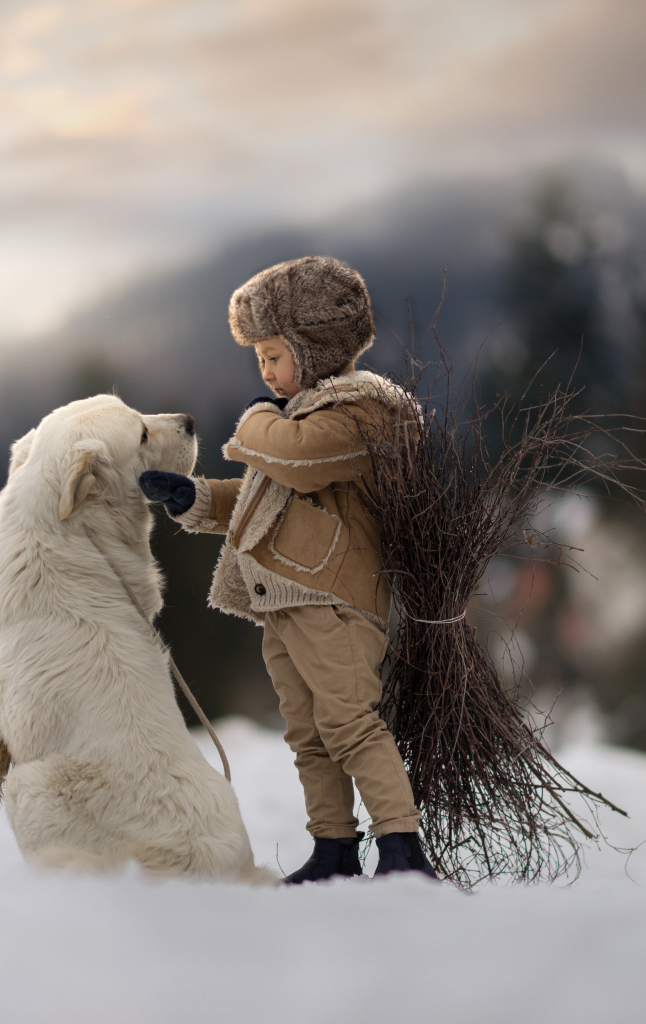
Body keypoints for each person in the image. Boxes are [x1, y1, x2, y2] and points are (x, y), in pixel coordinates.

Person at [139, 256, 436, 882]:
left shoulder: (364, 412)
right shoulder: (299, 415)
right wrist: (193, 498)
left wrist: (252, 416)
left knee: (351, 722)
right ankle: (333, 847)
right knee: (308, 734)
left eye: (274, 355)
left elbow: (295, 461)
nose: (266, 372)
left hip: (336, 601)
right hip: (285, 601)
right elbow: (261, 498)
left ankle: (403, 850)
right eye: (260, 360)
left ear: (316, 346)